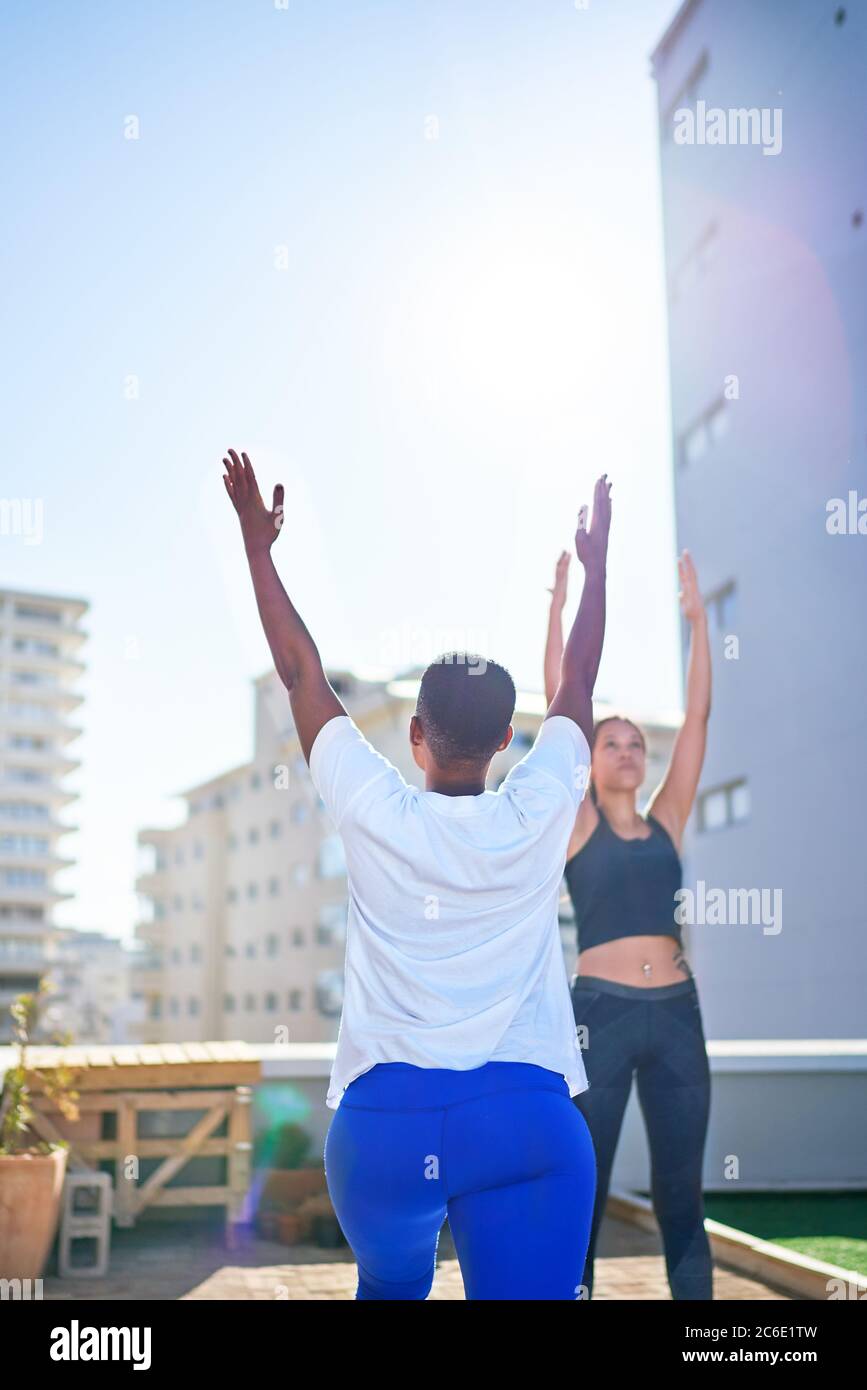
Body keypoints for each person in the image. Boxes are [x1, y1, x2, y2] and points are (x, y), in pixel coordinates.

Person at [222, 449, 611, 1300]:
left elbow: (300, 673)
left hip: (384, 1132)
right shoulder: (536, 807)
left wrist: (259, 548)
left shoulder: (377, 810)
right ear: (508, 740)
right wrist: (597, 564)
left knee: (389, 1292)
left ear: (416, 738)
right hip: (526, 1125)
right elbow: (578, 683)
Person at [543, 545, 714, 1300]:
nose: (623, 750)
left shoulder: (668, 819)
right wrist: (555, 607)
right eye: (609, 742)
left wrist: (699, 624)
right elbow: (561, 697)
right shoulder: (578, 824)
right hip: (599, 1020)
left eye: (634, 743)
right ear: (590, 760)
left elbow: (699, 714)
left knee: (681, 1198)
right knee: (583, 1191)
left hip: (676, 1016)